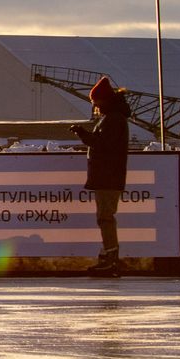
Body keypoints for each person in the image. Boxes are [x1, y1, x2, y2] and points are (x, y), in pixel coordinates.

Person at [72, 76, 131, 276]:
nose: (94, 105)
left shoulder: (113, 119)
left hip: (108, 176)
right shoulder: (112, 118)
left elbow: (103, 145)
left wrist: (82, 134)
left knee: (105, 217)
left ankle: (111, 258)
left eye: (95, 101)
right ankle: (108, 256)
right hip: (107, 175)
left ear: (104, 100)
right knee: (104, 217)